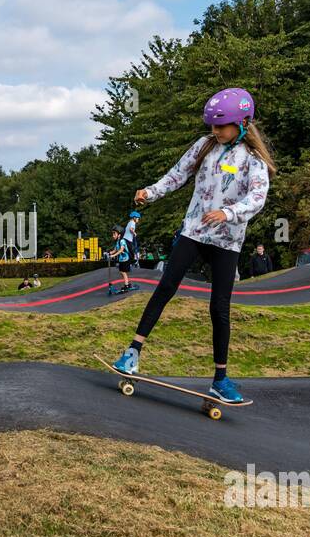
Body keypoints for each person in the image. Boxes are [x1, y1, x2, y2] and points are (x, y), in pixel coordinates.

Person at [111, 87, 273, 405]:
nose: (214, 131)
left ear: (242, 122)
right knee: (165, 286)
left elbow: (257, 198)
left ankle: (220, 379)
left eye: (221, 126)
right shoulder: (203, 147)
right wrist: (151, 191)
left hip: (228, 242)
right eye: (212, 125)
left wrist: (227, 213)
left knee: (219, 308)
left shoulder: (253, 161)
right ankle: (132, 352)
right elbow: (177, 175)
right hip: (194, 232)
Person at [105, 225, 134, 293]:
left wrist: (113, 255)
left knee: (123, 272)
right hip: (121, 259)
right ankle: (128, 284)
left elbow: (121, 250)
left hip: (125, 259)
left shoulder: (122, 241)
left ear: (119, 235)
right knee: (122, 271)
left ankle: (126, 285)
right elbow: (115, 250)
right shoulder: (118, 242)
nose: (113, 235)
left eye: (114, 233)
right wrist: (110, 253)